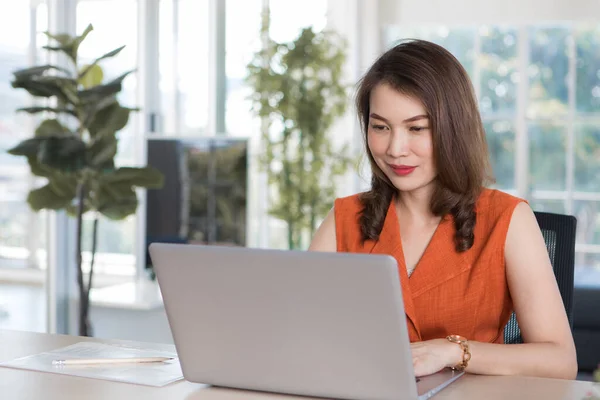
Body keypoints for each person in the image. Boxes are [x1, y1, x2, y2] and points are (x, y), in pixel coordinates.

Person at [308, 39, 577, 380]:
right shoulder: (343, 220)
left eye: (417, 128)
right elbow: (306, 336)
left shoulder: (507, 219)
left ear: (453, 128)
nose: (395, 149)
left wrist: (452, 351)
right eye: (380, 127)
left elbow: (560, 361)